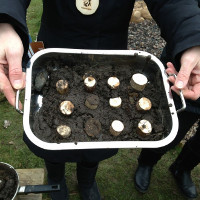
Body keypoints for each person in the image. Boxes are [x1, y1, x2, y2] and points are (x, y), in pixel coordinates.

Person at [0, 0, 200, 200]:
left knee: (100, 137)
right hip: (55, 50)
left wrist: (193, 38)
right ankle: (56, 178)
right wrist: (4, 22)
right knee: (50, 134)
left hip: (109, 54)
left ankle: (86, 181)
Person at [134, 0, 200, 199]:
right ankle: (147, 162)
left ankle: (183, 168)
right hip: (191, 65)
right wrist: (193, 40)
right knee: (168, 124)